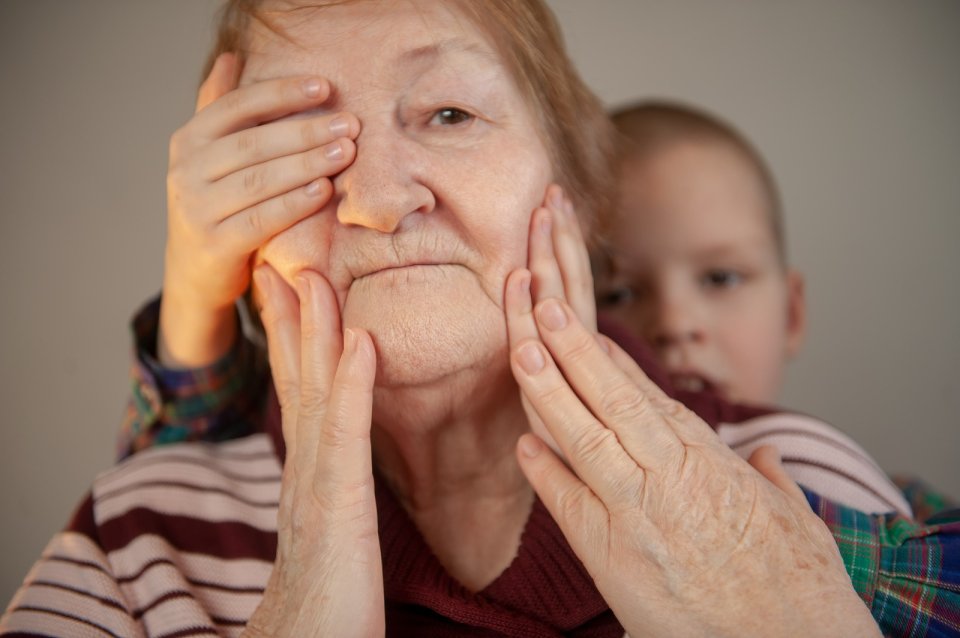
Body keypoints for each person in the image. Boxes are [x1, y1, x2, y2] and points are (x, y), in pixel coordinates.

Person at [3, 1, 956, 636]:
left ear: (576, 196)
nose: (379, 200)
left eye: (451, 114)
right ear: (232, 238)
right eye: (295, 144)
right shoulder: (134, 538)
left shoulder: (796, 496)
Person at [595, 100, 955, 517]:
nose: (674, 324)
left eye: (720, 278)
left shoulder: (842, 490)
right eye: (618, 295)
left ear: (792, 315)